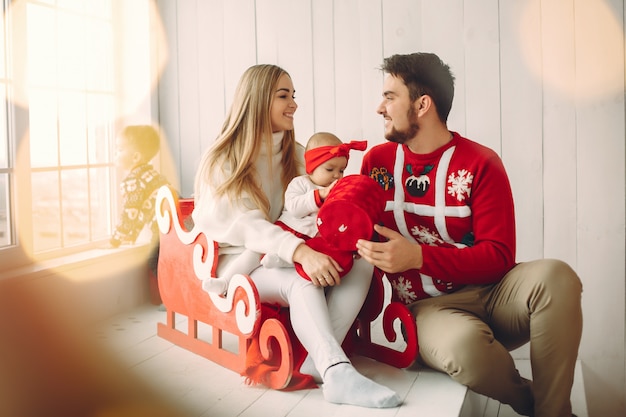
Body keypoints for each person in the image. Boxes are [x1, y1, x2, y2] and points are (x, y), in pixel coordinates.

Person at [356, 52, 582, 417]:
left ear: (422, 104)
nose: (379, 107)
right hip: (429, 309)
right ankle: (539, 406)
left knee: (557, 277)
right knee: (464, 350)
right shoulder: (376, 165)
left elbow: (498, 257)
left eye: (390, 96)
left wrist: (418, 257)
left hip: (494, 294)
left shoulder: (480, 162)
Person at [192, 64, 401, 408]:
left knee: (363, 259)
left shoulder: (298, 154)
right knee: (301, 280)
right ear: (258, 101)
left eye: (294, 95)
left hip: (289, 249)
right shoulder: (222, 160)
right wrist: (301, 252)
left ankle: (315, 358)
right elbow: (248, 227)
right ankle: (337, 373)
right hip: (241, 262)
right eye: (283, 95)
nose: (294, 104)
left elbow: (324, 198)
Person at [201, 131, 367, 294]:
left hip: (311, 240)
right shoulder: (301, 183)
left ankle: (279, 261)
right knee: (253, 253)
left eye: (341, 171)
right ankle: (225, 281)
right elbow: (295, 207)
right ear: (311, 167)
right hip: (287, 230)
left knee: (327, 255)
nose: (336, 176)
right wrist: (319, 196)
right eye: (330, 169)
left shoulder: (338, 192)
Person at [110, 125, 170, 280]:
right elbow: (142, 210)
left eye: (120, 149)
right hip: (176, 224)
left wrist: (116, 238)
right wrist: (133, 235)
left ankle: (171, 297)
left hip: (164, 229)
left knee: (154, 261)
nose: (115, 153)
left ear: (135, 157)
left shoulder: (133, 180)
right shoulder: (152, 175)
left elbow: (130, 213)